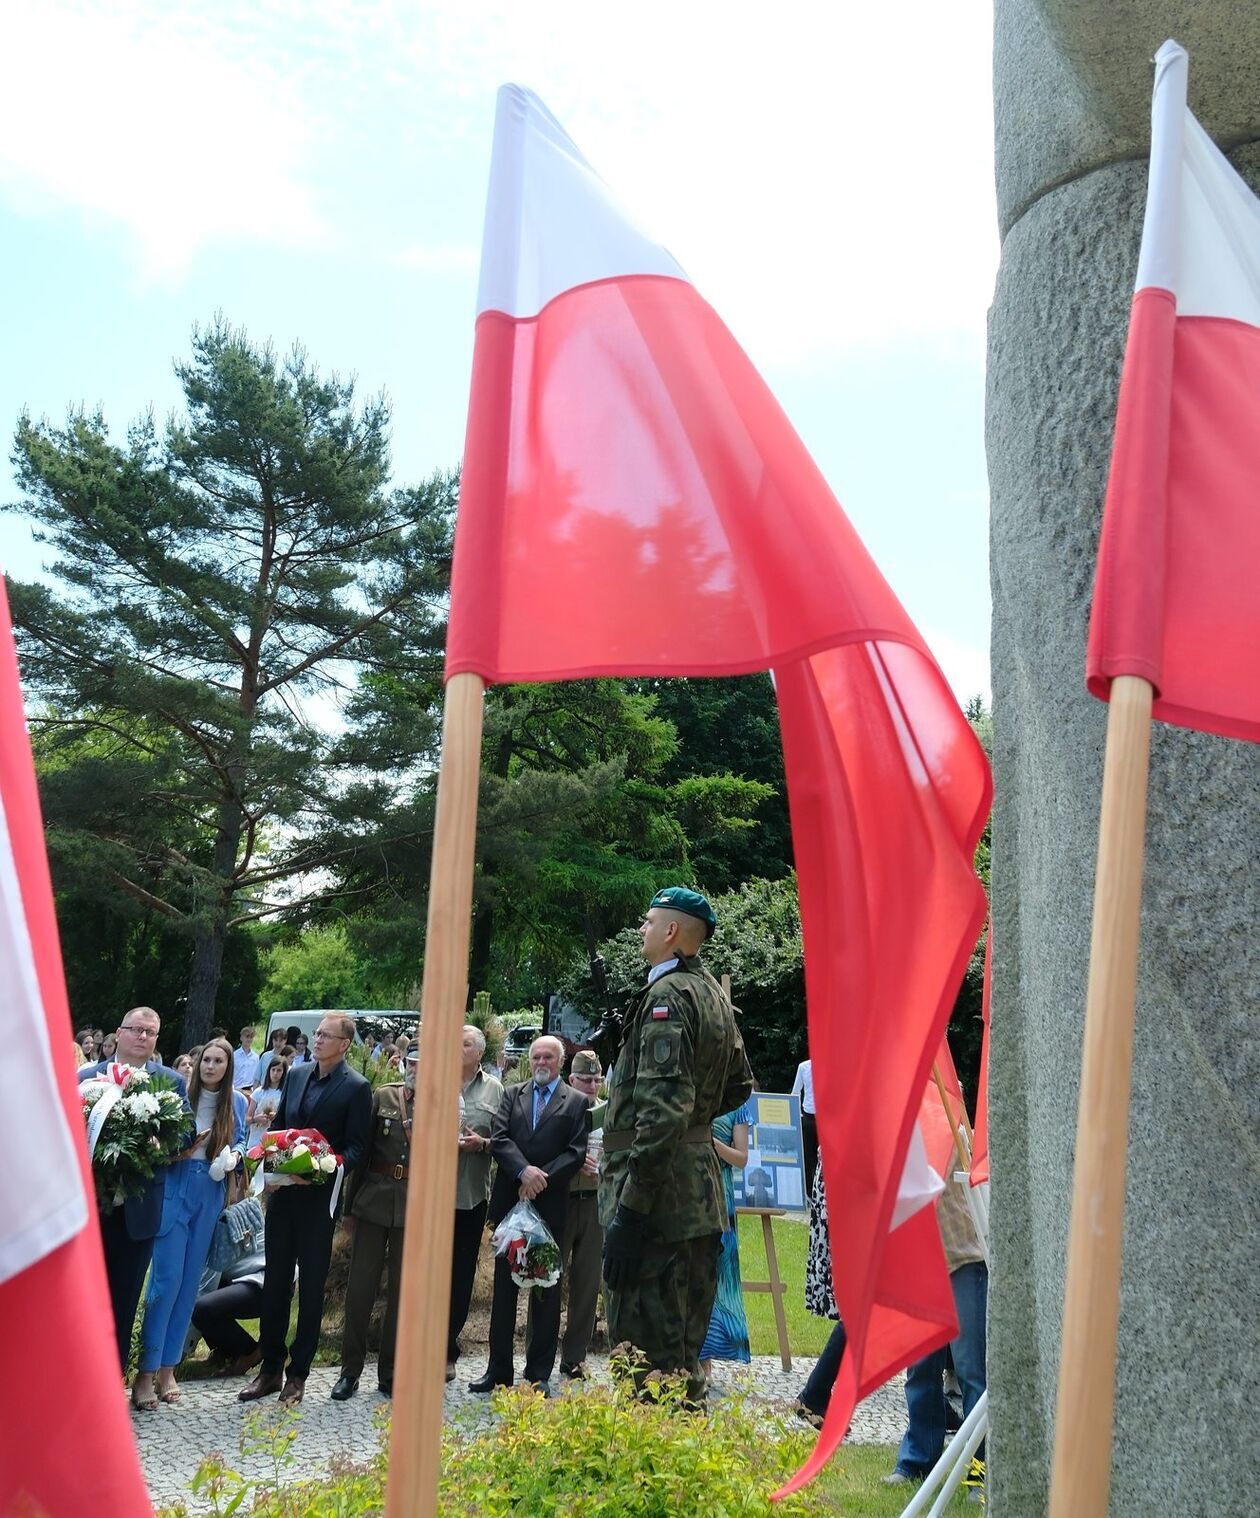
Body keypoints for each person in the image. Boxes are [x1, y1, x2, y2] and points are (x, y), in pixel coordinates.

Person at [599, 886, 753, 1405]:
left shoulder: (668, 998)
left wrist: (631, 1212)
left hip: (658, 1207)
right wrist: (696, 1126)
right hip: (696, 1196)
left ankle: (649, 1477)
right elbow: (737, 1085)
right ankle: (682, 1470)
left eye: (647, 923)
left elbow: (661, 1114)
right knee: (682, 1361)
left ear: (671, 932)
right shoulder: (712, 994)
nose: (641, 931)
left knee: (644, 1368)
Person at [239, 1013, 372, 1407]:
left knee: (311, 1288)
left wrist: (321, 1169)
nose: (316, 1040)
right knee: (276, 1283)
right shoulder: (296, 1075)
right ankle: (270, 1368)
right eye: (317, 1034)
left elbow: (356, 1147)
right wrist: (274, 1165)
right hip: (283, 1197)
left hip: (318, 1202)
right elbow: (280, 1127)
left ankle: (298, 1374)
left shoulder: (357, 1087)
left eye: (326, 1036)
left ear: (344, 1044)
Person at [470, 1035, 589, 1396]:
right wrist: (523, 1172)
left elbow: (576, 1152)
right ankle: (498, 1371)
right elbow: (501, 1139)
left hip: (549, 1206)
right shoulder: (512, 1094)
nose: (540, 1061)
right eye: (536, 1055)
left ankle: (539, 1373)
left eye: (548, 1057)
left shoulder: (577, 1102)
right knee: (504, 1293)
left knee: (545, 1292)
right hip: (511, 1203)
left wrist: (540, 1179)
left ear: (561, 1061)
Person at [132, 1037, 247, 1410]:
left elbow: (243, 1141)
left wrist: (233, 1156)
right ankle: (145, 1371)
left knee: (188, 1285)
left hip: (210, 1190)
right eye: (206, 1060)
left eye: (218, 1061)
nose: (211, 1066)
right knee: (165, 1282)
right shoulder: (183, 1095)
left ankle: (169, 1367)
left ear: (229, 1068)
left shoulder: (237, 1103)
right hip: (176, 1184)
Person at [78, 1007, 192, 1372]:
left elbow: (187, 1132)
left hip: (138, 1210)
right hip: (90, 1208)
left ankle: (112, 1383)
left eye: (151, 1033)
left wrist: (163, 1144)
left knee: (125, 1301)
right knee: (83, 1300)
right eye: (137, 1030)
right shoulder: (86, 1077)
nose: (143, 1037)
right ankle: (79, 1378)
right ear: (119, 1032)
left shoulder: (170, 1082)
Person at [884, 1172, 988, 1495]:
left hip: (963, 1255)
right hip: (920, 1258)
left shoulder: (949, 1122)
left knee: (972, 1371)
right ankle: (917, 1461)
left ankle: (979, 1472)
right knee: (920, 1368)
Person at [331, 1044, 418, 1401]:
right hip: (373, 1201)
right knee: (360, 1291)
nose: (417, 1069)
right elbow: (363, 1153)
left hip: (413, 1206)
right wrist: (349, 1209)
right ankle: (350, 1371)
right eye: (413, 1062)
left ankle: (391, 1372)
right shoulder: (384, 1096)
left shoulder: (444, 1104)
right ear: (406, 1063)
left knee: (402, 1293)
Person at [526, 1047, 605, 1380]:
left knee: (586, 1284)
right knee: (545, 1280)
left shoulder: (607, 1112)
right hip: (561, 1200)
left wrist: (602, 1167)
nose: (590, 1086)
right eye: (584, 1079)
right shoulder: (562, 1105)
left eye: (596, 1080)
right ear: (571, 1079)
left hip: (595, 1203)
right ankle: (536, 1354)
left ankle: (574, 1356)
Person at [448, 1025, 504, 1381]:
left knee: (460, 1274)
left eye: (465, 1043)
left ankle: (447, 1349)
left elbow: (505, 1140)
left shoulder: (495, 1090)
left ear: (480, 1052)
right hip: (430, 1195)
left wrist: (482, 1144)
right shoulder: (436, 1079)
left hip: (470, 1195)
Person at [699, 1098, 752, 1381]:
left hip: (721, 1199)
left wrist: (709, 1143)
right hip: (689, 1193)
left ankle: (705, 1360)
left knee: (718, 1278)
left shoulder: (738, 1106)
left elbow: (742, 1158)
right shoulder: (694, 1093)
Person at [190, 1234, 268, 1378]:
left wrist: (174, 1359)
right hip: (247, 1274)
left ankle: (250, 1351)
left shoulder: (211, 1229)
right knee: (199, 1297)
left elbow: (203, 1290)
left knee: (202, 1309)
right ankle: (225, 1352)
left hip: (265, 1279)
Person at [245, 1054, 287, 1150]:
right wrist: (256, 1119)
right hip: (255, 1141)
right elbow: (247, 1119)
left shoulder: (285, 1093)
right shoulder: (258, 1092)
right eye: (273, 1070)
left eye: (279, 1070)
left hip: (275, 1142)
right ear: (268, 1071)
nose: (275, 1073)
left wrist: (276, 1117)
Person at [790, 1057, 818, 1194]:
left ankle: (812, 1192)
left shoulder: (804, 1066)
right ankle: (810, 1191)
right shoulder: (803, 1067)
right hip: (810, 1116)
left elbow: (795, 1093)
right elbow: (796, 1093)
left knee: (812, 1157)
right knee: (810, 1156)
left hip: (813, 1116)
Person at [232, 1025, 260, 1090]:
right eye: (247, 1037)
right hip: (236, 1088)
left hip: (250, 1089)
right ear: (241, 1038)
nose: (249, 1039)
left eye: (251, 1037)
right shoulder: (234, 1055)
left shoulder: (256, 1057)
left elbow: (256, 1075)